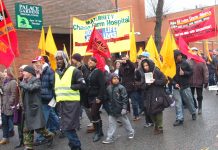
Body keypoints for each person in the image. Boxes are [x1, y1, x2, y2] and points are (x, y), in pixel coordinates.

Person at [55, 51, 85, 150]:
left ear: (65, 59)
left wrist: (72, 87)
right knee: (66, 127)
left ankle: (77, 147)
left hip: (72, 103)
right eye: (57, 59)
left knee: (67, 128)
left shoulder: (74, 70)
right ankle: (74, 147)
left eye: (60, 58)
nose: (58, 61)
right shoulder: (56, 72)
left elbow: (83, 85)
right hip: (61, 104)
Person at [19, 66, 54, 150]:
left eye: (24, 72)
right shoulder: (24, 81)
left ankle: (50, 136)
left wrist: (21, 84)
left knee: (39, 129)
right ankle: (28, 146)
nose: (23, 73)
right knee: (27, 128)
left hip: (34, 109)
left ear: (30, 73)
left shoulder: (36, 80)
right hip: (27, 109)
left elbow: (31, 88)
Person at [32, 56, 60, 145]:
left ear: (42, 62)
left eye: (38, 62)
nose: (36, 64)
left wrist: (54, 98)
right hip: (41, 98)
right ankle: (63, 128)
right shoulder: (38, 72)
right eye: (35, 63)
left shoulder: (49, 71)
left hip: (47, 98)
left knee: (43, 118)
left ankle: (41, 137)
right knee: (51, 116)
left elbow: (53, 85)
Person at [102, 73, 134, 144]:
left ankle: (131, 132)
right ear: (111, 79)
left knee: (125, 122)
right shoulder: (108, 88)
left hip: (120, 109)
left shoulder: (121, 88)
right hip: (112, 110)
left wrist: (124, 108)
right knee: (111, 124)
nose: (116, 80)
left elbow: (125, 98)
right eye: (114, 78)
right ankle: (110, 137)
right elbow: (107, 98)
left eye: (117, 78)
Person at [141, 59, 167, 134]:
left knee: (158, 110)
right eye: (144, 66)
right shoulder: (144, 74)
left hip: (157, 93)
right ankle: (156, 124)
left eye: (147, 65)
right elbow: (142, 85)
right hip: (149, 95)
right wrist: (147, 85)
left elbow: (164, 80)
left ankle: (160, 127)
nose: (145, 67)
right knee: (150, 111)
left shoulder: (156, 71)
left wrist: (155, 81)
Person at [72, 53, 95, 133]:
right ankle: (91, 121)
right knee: (82, 108)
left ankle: (93, 122)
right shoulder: (76, 67)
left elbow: (85, 79)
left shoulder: (83, 67)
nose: (72, 60)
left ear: (76, 59)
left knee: (86, 108)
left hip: (84, 91)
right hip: (80, 91)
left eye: (73, 58)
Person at [172, 50, 197, 126]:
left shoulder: (185, 63)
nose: (180, 56)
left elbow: (191, 72)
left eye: (180, 55)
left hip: (185, 86)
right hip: (176, 87)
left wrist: (184, 73)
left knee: (189, 101)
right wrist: (174, 83)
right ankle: (179, 119)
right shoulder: (171, 65)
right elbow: (169, 76)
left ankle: (193, 112)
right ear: (175, 56)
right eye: (178, 55)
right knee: (178, 103)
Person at [86, 56, 106, 142]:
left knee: (93, 113)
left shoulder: (99, 72)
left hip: (97, 97)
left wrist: (99, 97)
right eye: (89, 61)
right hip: (90, 96)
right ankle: (99, 132)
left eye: (91, 61)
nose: (89, 62)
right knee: (95, 114)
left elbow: (102, 85)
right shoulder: (89, 72)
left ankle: (98, 132)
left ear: (95, 63)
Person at [0, 68, 18, 145]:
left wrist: (10, 103)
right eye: (4, 72)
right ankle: (5, 138)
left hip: (9, 105)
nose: (5, 74)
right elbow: (3, 92)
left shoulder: (13, 82)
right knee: (4, 122)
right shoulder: (4, 81)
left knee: (11, 121)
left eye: (6, 72)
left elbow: (14, 94)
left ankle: (11, 132)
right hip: (4, 105)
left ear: (10, 73)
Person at [188, 47, 209, 114]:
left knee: (199, 96)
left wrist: (206, 81)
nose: (194, 52)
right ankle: (194, 105)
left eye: (195, 51)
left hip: (199, 81)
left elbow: (205, 71)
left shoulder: (201, 61)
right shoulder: (188, 61)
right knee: (191, 96)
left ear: (197, 52)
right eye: (193, 51)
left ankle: (200, 107)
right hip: (190, 82)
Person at [14, 65, 27, 149]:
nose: (20, 73)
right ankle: (21, 141)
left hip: (26, 107)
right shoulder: (18, 81)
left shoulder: (27, 81)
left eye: (22, 71)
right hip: (19, 106)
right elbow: (17, 95)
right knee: (19, 125)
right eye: (20, 71)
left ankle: (27, 143)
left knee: (26, 126)